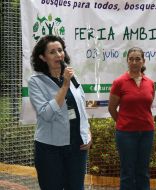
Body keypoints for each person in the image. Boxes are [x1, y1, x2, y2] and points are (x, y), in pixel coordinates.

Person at [28, 35, 92, 190]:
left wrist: (87, 132)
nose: (58, 55)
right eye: (52, 52)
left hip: (77, 147)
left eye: (60, 50)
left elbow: (81, 108)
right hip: (50, 149)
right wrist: (64, 85)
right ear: (43, 57)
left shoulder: (72, 77)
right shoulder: (36, 82)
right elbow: (46, 114)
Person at [108, 47, 155, 190]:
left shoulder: (150, 83)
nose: (134, 62)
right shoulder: (119, 82)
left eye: (137, 59)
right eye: (131, 59)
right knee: (127, 172)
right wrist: (124, 123)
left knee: (143, 171)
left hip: (147, 132)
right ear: (127, 61)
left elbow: (147, 106)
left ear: (143, 61)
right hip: (126, 134)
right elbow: (111, 108)